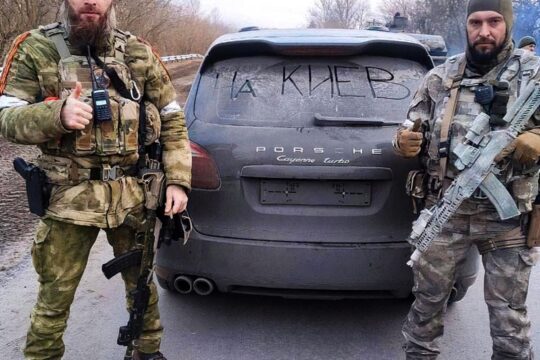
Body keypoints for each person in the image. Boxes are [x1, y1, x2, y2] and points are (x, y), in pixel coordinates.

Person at [0, 0, 191, 359]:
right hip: (68, 198)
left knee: (142, 287)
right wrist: (55, 114)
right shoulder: (34, 47)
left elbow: (172, 119)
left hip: (133, 196)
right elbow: (7, 117)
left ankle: (146, 352)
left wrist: (178, 180)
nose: (91, 2)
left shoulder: (138, 50)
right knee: (54, 297)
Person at [393, 0, 540, 358]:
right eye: (476, 22)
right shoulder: (440, 78)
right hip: (445, 211)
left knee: (509, 320)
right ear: (466, 25)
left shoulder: (533, 75)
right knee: (426, 306)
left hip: (507, 220)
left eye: (494, 21)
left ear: (507, 22)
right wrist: (403, 141)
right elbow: (410, 125)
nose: (484, 31)